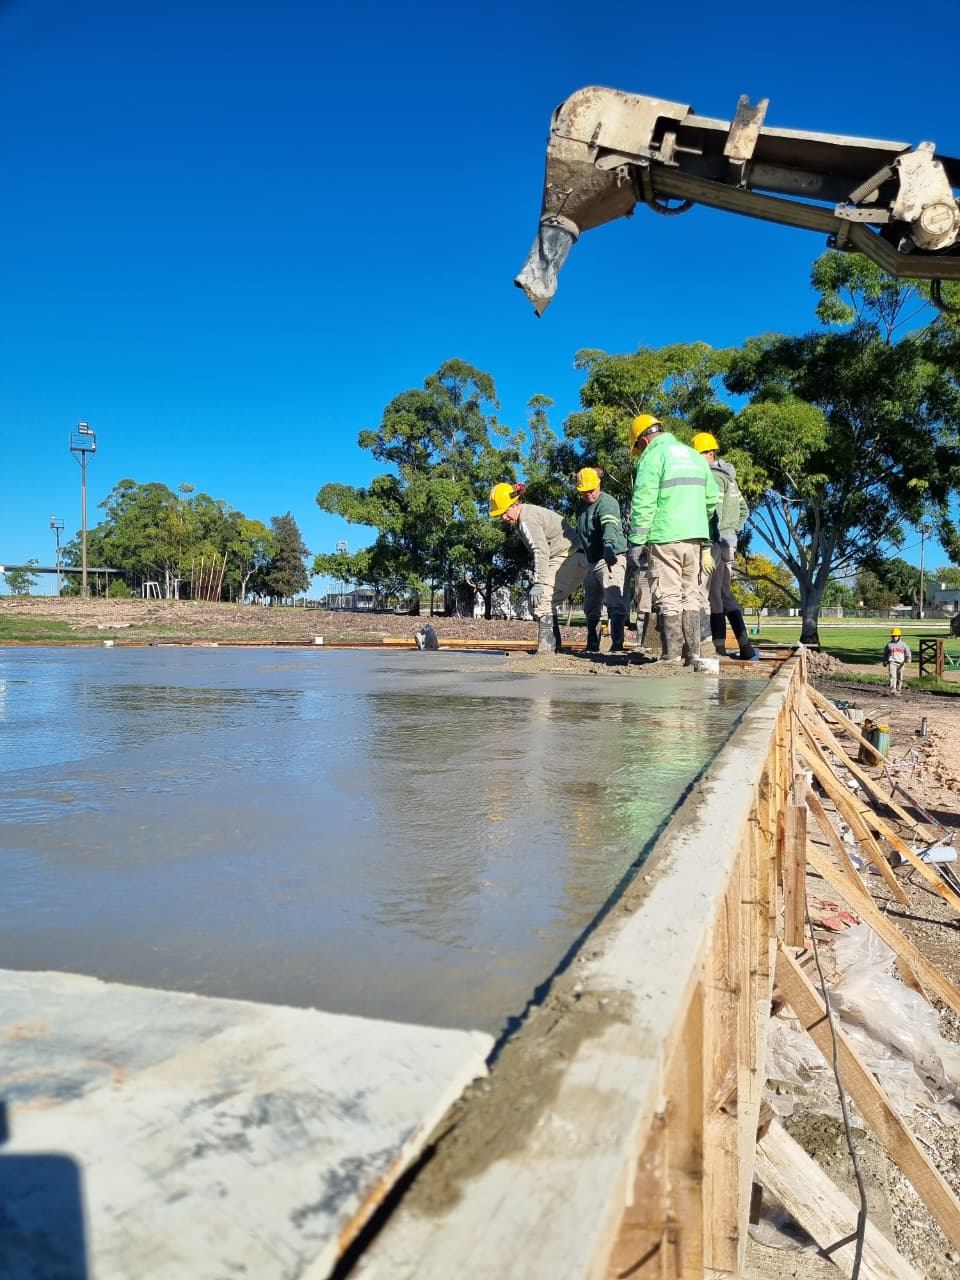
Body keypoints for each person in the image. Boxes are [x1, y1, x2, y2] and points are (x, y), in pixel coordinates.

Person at [626, 414, 719, 664]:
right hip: (695, 537)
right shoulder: (693, 455)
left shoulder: (653, 457)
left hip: (665, 536)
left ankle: (671, 656)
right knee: (690, 593)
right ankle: (693, 654)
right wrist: (696, 519)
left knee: (668, 594)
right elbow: (712, 498)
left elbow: (644, 502)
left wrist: (636, 541)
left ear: (643, 441)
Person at [488, 482, 588, 654]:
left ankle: (546, 651)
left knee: (542, 599)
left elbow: (540, 550)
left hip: (570, 556)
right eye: (500, 515)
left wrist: (539, 582)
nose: (504, 518)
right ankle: (554, 646)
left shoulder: (527, 519)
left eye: (505, 512)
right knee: (542, 602)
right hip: (568, 556)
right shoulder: (525, 517)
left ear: (516, 504)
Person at [690, 431, 756, 660]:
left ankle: (711, 646)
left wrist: (712, 534)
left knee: (704, 591)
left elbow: (712, 511)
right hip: (728, 540)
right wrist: (732, 529)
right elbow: (745, 511)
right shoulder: (731, 479)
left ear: (706, 454)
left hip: (714, 539)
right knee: (721, 593)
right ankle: (743, 645)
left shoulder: (713, 478)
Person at [572, 467, 628, 653]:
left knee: (614, 600)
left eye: (591, 490)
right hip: (591, 560)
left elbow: (609, 525)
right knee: (591, 604)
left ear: (599, 485)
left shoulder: (607, 502)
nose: (588, 494)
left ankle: (617, 643)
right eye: (584, 492)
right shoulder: (581, 508)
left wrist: (609, 545)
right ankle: (593, 642)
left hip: (610, 557)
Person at [883, 627, 911, 695]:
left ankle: (898, 689)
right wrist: (885, 661)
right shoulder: (889, 645)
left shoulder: (903, 644)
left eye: (896, 636)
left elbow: (908, 652)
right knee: (892, 676)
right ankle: (893, 690)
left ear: (899, 636)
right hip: (892, 662)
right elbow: (885, 654)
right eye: (893, 636)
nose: (894, 637)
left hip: (901, 663)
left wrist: (908, 658)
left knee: (900, 677)